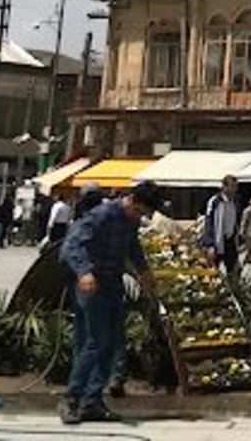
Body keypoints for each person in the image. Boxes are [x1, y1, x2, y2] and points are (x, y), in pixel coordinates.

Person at [58, 179, 162, 425]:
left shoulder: (131, 220)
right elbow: (72, 244)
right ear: (131, 200)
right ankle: (71, 398)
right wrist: (84, 271)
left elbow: (132, 247)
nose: (139, 216)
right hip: (92, 285)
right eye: (138, 211)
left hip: (113, 285)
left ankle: (92, 402)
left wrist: (144, 273)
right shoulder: (102, 215)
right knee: (95, 342)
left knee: (111, 343)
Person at [201, 174, 243, 275]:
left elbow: (236, 221)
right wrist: (210, 243)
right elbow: (209, 222)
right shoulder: (215, 201)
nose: (234, 189)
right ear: (224, 187)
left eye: (236, 186)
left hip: (230, 240)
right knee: (213, 270)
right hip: (217, 240)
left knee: (233, 270)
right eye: (232, 186)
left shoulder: (235, 202)